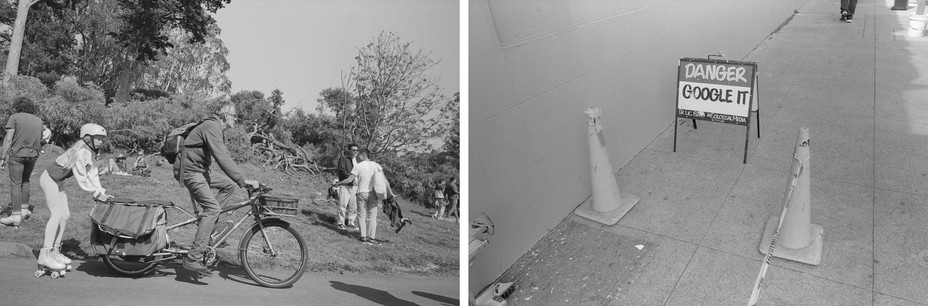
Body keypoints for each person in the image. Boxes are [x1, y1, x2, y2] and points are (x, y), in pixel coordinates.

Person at [174, 100, 252, 275]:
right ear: (225, 115)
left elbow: (224, 155)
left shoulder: (216, 128)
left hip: (199, 170)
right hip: (190, 171)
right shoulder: (212, 126)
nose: (235, 119)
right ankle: (193, 258)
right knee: (213, 208)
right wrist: (242, 180)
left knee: (229, 186)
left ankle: (209, 230)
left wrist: (238, 180)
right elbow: (221, 157)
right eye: (234, 115)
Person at [37, 123, 114, 271]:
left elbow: (93, 174)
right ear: (87, 138)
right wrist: (95, 193)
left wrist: (101, 192)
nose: (101, 142)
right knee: (56, 214)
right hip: (49, 179)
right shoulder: (80, 152)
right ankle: (45, 254)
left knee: (65, 215)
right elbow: (82, 177)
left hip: (57, 181)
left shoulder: (89, 152)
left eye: (102, 139)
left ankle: (55, 251)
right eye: (98, 139)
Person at [0, 97, 45, 227]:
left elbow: (8, 139)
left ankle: (15, 216)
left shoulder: (15, 117)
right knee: (25, 181)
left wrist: (2, 158)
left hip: (18, 154)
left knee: (15, 184)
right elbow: (40, 138)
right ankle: (24, 210)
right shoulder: (38, 120)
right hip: (32, 155)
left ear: (17, 107)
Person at [335, 149, 393, 245]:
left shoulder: (358, 166)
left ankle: (363, 237)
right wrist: (390, 192)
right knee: (372, 216)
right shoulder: (376, 165)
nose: (357, 156)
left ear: (363, 155)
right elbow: (385, 180)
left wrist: (339, 183)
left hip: (361, 193)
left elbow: (350, 179)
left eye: (359, 154)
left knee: (361, 215)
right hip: (373, 193)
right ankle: (371, 238)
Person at [334, 143, 359, 230]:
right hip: (345, 185)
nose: (355, 151)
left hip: (356, 187)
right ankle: (340, 223)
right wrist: (351, 179)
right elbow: (342, 171)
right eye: (353, 150)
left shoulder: (358, 161)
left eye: (356, 150)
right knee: (342, 204)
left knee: (354, 206)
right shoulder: (343, 159)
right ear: (349, 150)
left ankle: (351, 223)